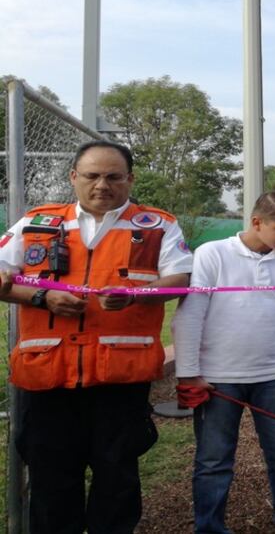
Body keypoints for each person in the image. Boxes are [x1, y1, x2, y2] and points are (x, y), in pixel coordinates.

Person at [0, 140, 192, 533]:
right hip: (49, 378)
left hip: (120, 380)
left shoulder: (157, 225)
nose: (102, 185)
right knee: (51, 483)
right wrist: (42, 296)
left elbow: (181, 279)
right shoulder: (37, 223)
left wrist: (137, 293)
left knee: (117, 481)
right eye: (91, 175)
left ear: (129, 179)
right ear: (74, 177)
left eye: (113, 176)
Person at [172, 189, 275, 534]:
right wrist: (188, 374)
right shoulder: (212, 255)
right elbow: (190, 315)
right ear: (257, 222)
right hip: (217, 379)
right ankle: (209, 528)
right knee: (213, 462)